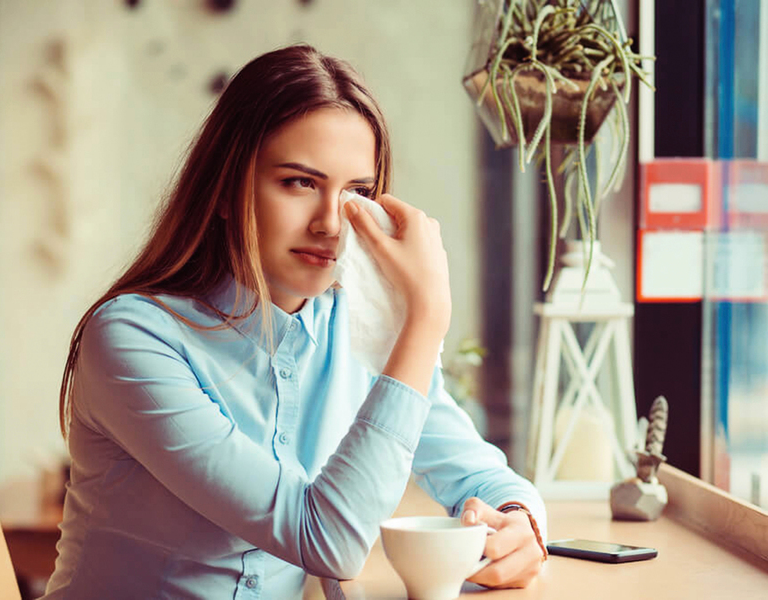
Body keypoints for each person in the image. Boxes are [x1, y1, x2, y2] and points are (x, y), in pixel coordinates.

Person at [41, 44, 547, 600]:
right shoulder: (132, 338)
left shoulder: (359, 328)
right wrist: (426, 316)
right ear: (227, 191)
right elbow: (327, 540)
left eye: (356, 192)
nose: (331, 223)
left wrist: (519, 523)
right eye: (299, 182)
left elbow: (478, 474)